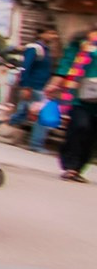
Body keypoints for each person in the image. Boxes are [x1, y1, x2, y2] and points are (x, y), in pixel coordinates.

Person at [51, 27, 97, 182]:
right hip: (80, 95)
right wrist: (57, 80)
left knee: (92, 135)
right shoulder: (82, 40)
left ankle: (78, 168)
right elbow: (67, 62)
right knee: (80, 127)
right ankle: (70, 166)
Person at [8, 27, 61, 146]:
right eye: (51, 33)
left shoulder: (46, 50)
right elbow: (26, 68)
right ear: (40, 34)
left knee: (24, 112)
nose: (54, 37)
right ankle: (36, 144)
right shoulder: (34, 48)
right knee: (41, 115)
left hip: (40, 87)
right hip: (33, 86)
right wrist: (26, 87)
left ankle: (5, 128)